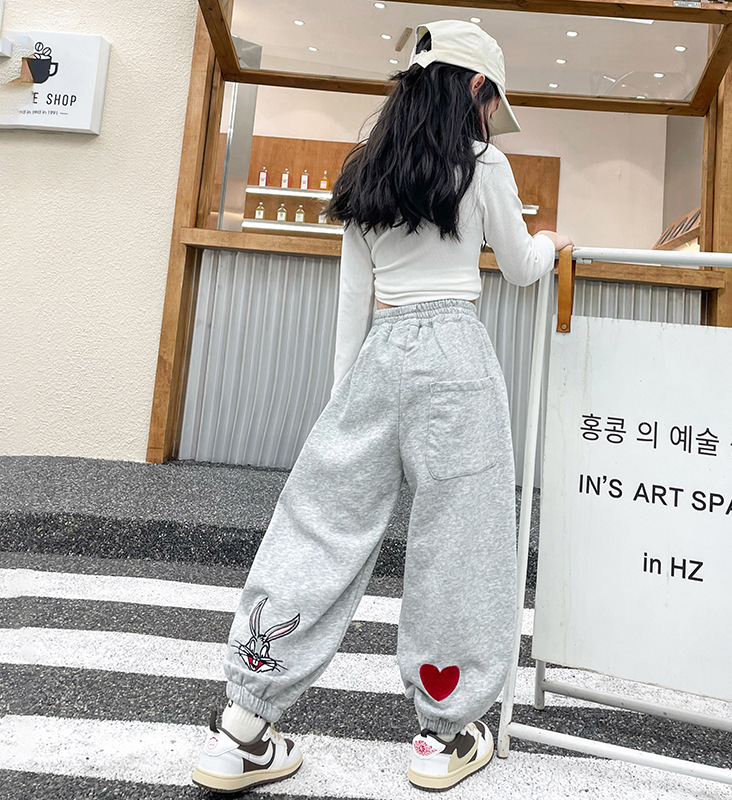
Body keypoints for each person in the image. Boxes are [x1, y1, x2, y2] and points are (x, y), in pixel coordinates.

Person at [191, 18, 573, 794]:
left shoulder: (367, 170)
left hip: (378, 356)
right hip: (456, 359)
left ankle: (243, 726)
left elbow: (352, 306)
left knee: (319, 524)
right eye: (492, 101)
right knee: (460, 540)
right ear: (476, 87)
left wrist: (343, 407)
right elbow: (522, 267)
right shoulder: (485, 164)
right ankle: (444, 733)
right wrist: (554, 242)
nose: (492, 116)